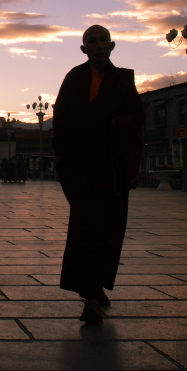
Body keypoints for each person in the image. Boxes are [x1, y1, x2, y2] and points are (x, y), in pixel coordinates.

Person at [52, 25, 144, 324]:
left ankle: (98, 286)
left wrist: (114, 124)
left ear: (112, 45)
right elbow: (62, 120)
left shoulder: (123, 79)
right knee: (86, 230)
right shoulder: (75, 78)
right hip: (82, 168)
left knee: (110, 231)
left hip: (112, 168)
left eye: (103, 40)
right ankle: (91, 295)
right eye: (92, 41)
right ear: (83, 49)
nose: (98, 45)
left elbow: (137, 117)